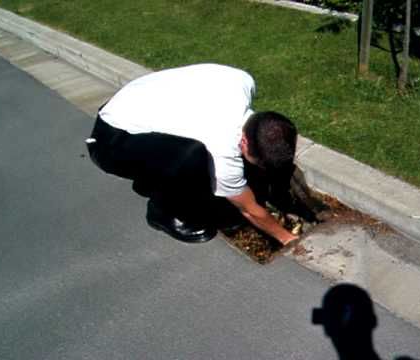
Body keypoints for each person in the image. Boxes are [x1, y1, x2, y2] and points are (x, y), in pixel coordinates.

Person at [86, 63, 299, 245]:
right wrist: (287, 238)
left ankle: (150, 178)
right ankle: (164, 212)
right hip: (110, 142)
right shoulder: (222, 145)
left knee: (192, 156)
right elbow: (249, 209)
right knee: (191, 160)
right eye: (260, 162)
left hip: (132, 107)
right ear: (243, 142)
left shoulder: (243, 81)